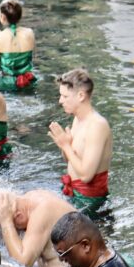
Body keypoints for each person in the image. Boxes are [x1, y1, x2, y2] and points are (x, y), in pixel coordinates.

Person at [49, 68, 112, 214]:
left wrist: (66, 145)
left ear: (81, 95)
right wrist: (65, 145)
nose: (60, 101)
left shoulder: (97, 125)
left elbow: (86, 176)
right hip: (73, 195)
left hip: (90, 204)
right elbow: (70, 161)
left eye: (65, 96)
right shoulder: (77, 119)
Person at [0, 189, 76, 267]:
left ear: (19, 216)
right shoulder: (30, 198)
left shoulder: (42, 212)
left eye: (1, 226)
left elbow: (21, 265)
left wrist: (6, 221)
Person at [0, 0, 38, 92]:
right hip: (29, 81)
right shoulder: (30, 33)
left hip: (7, 84)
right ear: (20, 16)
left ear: (2, 17)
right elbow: (32, 59)